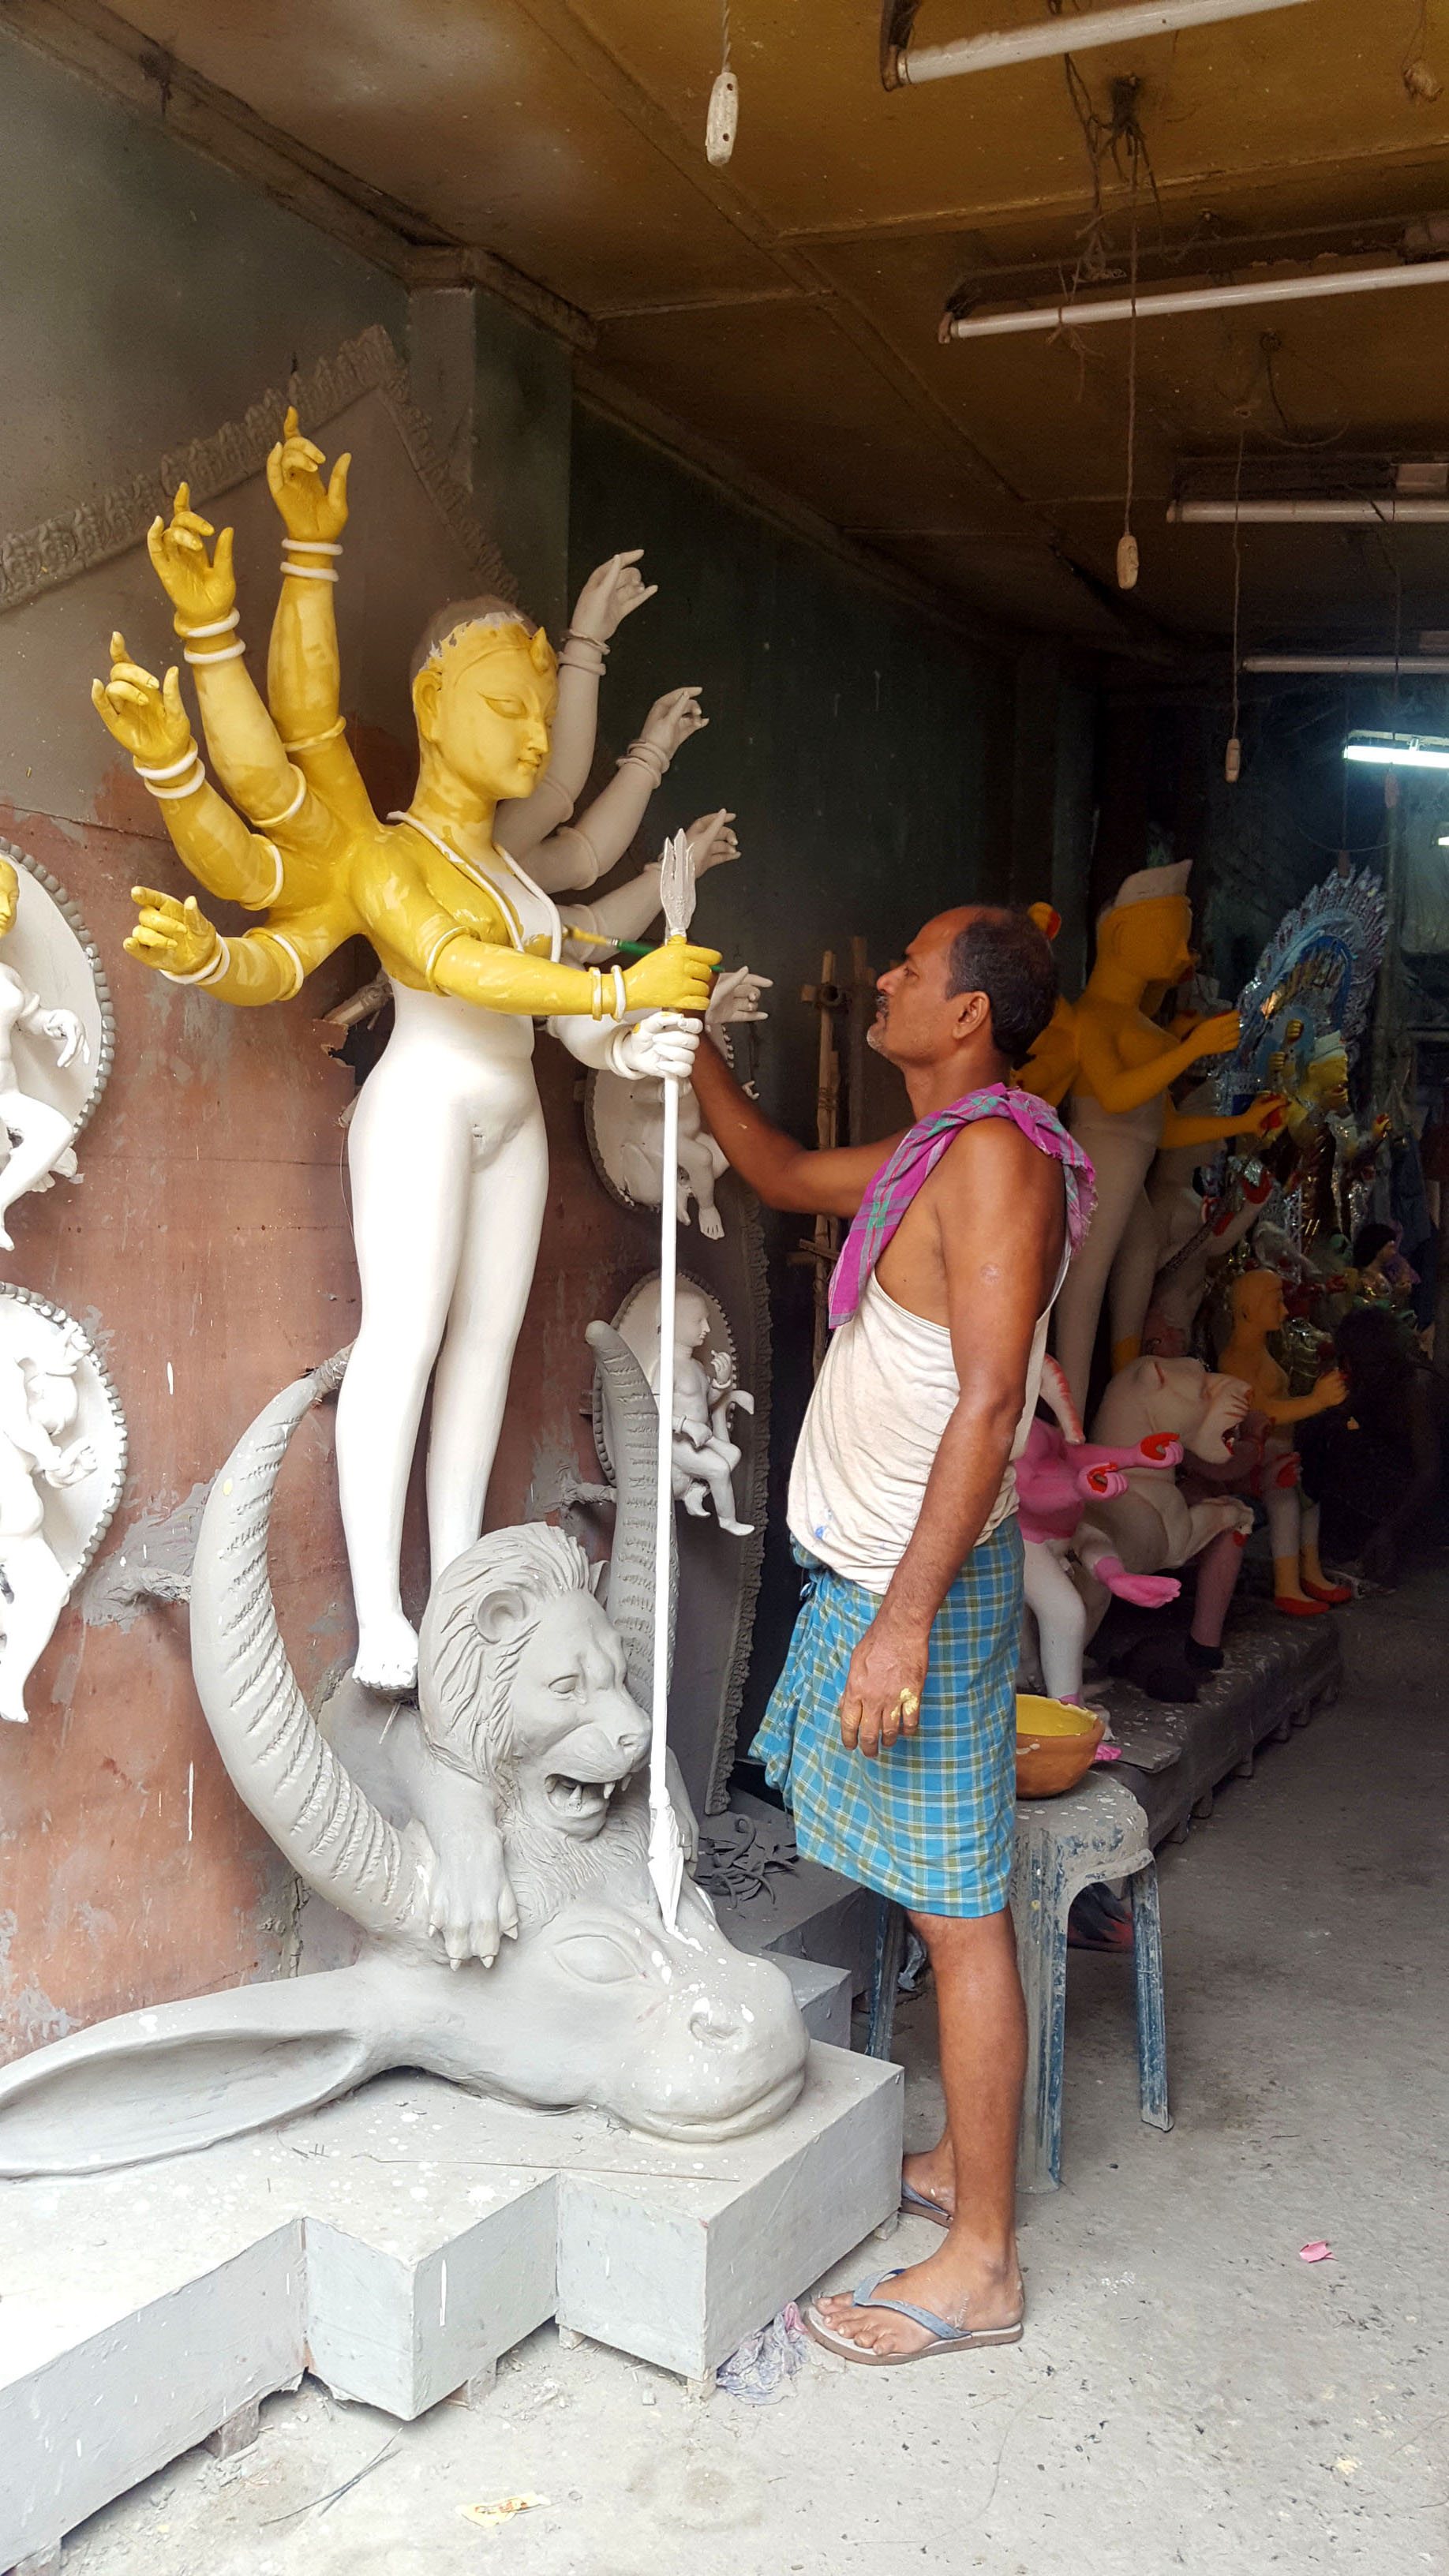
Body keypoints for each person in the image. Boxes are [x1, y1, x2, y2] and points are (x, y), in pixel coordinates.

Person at [689, 905, 1095, 2367]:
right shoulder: (940, 1150)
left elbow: (988, 1404)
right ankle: (961, 2168)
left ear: (969, 1012)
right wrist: (690, 1047)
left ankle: (982, 2263)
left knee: (959, 1915)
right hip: (882, 1574)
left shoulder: (992, 1161)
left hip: (917, 1587)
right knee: (944, 1897)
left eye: (915, 969)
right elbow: (778, 1170)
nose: (888, 978)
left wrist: (904, 1625)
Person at [1299, 1305, 1449, 1584]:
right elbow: (1345, 1420)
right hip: (1398, 1473)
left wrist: (1389, 1530)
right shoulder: (1374, 1378)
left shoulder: (1416, 1385)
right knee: (1323, 1432)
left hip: (1433, 1499)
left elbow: (1429, 1471)